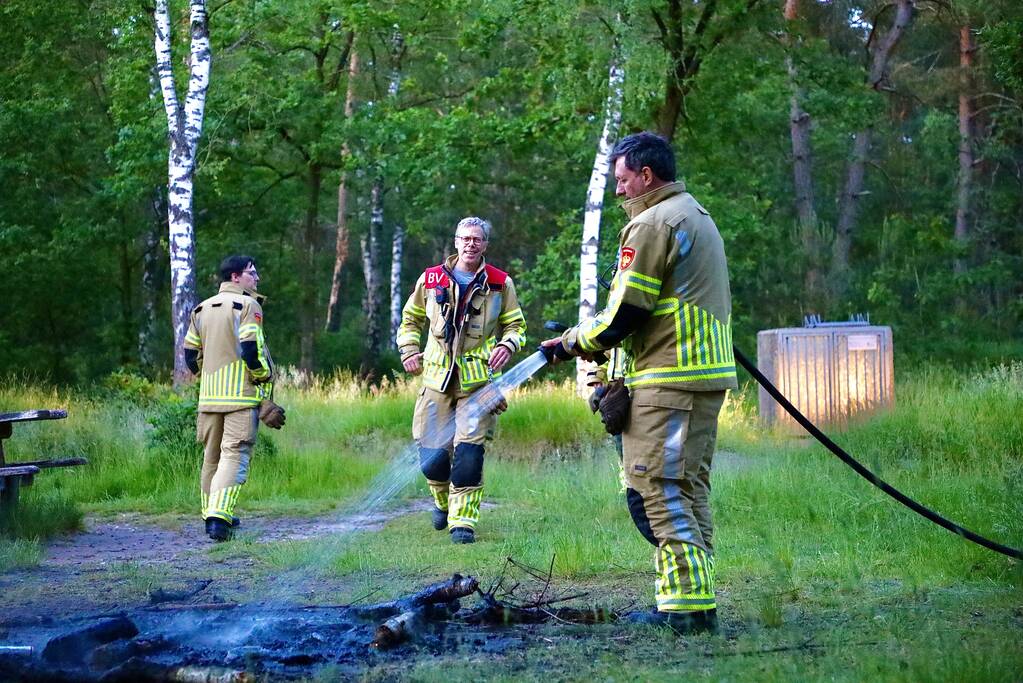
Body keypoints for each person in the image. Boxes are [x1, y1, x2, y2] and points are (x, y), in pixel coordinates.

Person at [541, 132, 737, 632]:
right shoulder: (694, 213)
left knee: (656, 487)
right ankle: (692, 599)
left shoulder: (653, 223)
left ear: (646, 176)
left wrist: (571, 344)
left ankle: (686, 612)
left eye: (623, 181)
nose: (619, 191)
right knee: (688, 489)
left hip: (671, 377)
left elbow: (627, 310)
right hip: (700, 375)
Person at [397, 217, 527, 544]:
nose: (471, 244)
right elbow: (410, 320)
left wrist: (506, 344)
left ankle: (463, 523)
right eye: (465, 238)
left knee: (469, 455)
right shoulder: (430, 279)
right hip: (435, 380)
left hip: (477, 384)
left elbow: (516, 326)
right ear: (455, 242)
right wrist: (409, 350)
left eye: (477, 239)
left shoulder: (500, 283)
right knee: (432, 459)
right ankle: (442, 503)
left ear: (485, 245)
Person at [183, 255, 280, 542]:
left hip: (209, 399)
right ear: (236, 277)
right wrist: (262, 375)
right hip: (240, 398)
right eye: (252, 273)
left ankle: (210, 513)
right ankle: (219, 518)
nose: (257, 278)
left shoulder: (200, 309)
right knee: (234, 455)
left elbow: (190, 357)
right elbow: (251, 348)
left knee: (211, 458)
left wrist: (209, 374)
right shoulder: (248, 305)